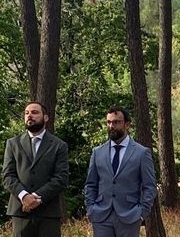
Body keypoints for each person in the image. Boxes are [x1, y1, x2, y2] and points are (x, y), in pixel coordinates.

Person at [84, 106, 157, 237]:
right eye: (109, 122)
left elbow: (149, 186)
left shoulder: (141, 153)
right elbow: (91, 184)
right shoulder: (97, 152)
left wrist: (141, 213)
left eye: (116, 122)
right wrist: (91, 209)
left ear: (127, 125)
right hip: (101, 216)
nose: (111, 126)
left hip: (129, 216)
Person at [2, 101, 69, 237]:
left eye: (34, 112)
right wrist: (24, 196)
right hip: (21, 212)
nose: (29, 116)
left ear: (46, 117)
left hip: (48, 213)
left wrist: (36, 197)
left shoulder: (59, 145)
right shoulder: (12, 143)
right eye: (26, 113)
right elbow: (7, 175)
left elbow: (61, 178)